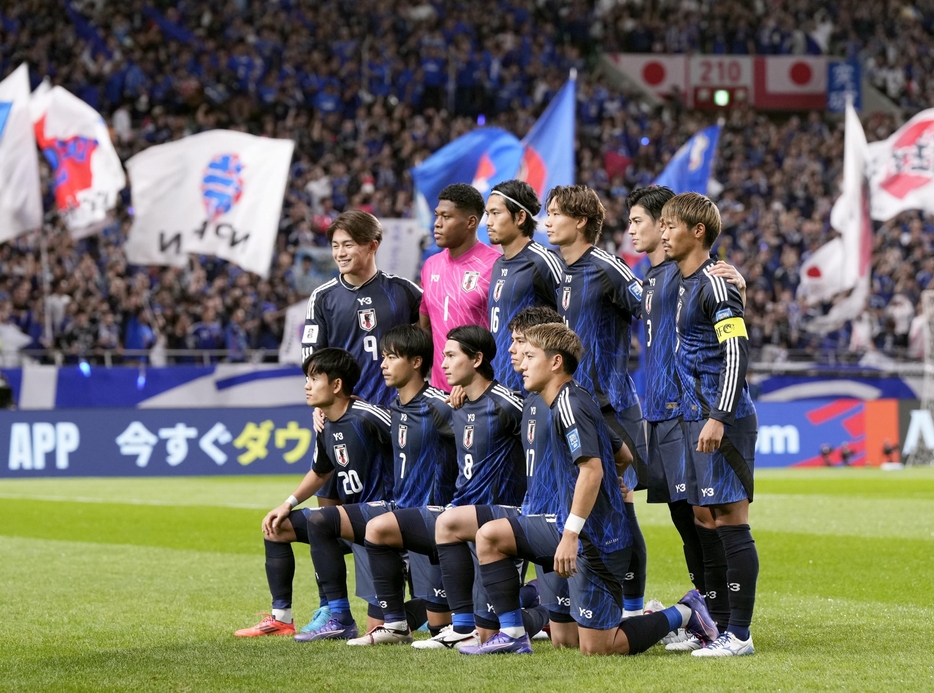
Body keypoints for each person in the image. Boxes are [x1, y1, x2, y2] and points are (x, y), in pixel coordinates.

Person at [465, 323, 719, 655]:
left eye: (529, 356)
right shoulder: (566, 400)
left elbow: (592, 469)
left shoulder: (570, 403)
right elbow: (623, 454)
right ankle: (513, 633)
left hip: (596, 540)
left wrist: (574, 531)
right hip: (567, 526)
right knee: (490, 536)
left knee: (597, 649)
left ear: (555, 362)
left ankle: (685, 612)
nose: (522, 364)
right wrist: (609, 491)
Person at [627, 185, 747, 646]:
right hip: (658, 410)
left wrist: (742, 287)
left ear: (665, 225)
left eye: (639, 221)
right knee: (685, 516)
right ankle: (704, 615)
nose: (632, 230)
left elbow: (726, 321)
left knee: (704, 513)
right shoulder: (652, 278)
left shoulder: (691, 273)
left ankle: (723, 619)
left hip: (688, 409)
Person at [365, 325, 528, 651]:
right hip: (456, 514)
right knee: (378, 528)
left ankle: (530, 606)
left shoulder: (506, 404)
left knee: (551, 633)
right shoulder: (457, 405)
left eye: (452, 355)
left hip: (498, 518)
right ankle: (444, 624)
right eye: (444, 356)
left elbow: (542, 444)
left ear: (477, 359)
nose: (444, 364)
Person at [234, 348, 392, 640]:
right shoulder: (325, 425)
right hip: (355, 519)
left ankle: (340, 617)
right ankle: (282, 619)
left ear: (336, 385)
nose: (307, 385)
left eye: (314, 378)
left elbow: (412, 438)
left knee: (323, 521)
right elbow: (321, 471)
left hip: (388, 513)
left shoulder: (368, 415)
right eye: (307, 378)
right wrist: (287, 504)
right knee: (276, 527)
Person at [660, 192, 760, 657]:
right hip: (694, 415)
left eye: (670, 224)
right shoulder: (683, 282)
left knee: (730, 520)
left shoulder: (716, 284)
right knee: (708, 517)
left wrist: (719, 415)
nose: (663, 232)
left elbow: (736, 351)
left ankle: (739, 634)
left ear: (697, 231)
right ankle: (718, 628)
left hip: (723, 417)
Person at [545, 184, 648, 618]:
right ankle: (595, 601)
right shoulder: (557, 271)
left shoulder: (606, 266)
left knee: (620, 507)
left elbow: (653, 306)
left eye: (554, 213)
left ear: (581, 221)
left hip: (609, 405)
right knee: (590, 505)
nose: (546, 221)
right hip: (572, 406)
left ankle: (633, 607)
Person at [344, 325, 459, 646]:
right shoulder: (394, 408)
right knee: (330, 524)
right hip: (401, 515)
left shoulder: (441, 404)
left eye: (392, 357)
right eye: (382, 357)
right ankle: (383, 622)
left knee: (440, 629)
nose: (383, 364)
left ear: (417, 362)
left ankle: (526, 600)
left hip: (435, 519)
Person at [301, 210, 423, 408]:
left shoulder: (404, 291)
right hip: (345, 412)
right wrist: (321, 403)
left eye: (348, 245)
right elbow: (312, 358)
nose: (340, 253)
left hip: (399, 410)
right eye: (335, 246)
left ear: (372, 245)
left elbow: (436, 328)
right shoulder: (323, 298)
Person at [419, 184, 500, 389]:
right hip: (439, 394)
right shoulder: (430, 266)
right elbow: (426, 328)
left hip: (481, 394)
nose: (437, 224)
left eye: (446, 217)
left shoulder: (496, 266)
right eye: (437, 216)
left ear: (471, 222)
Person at [485, 180, 563, 391]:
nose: (488, 222)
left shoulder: (542, 261)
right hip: (498, 385)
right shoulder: (498, 263)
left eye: (495, 213)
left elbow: (569, 318)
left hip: (531, 389)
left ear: (520, 217)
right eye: (487, 214)